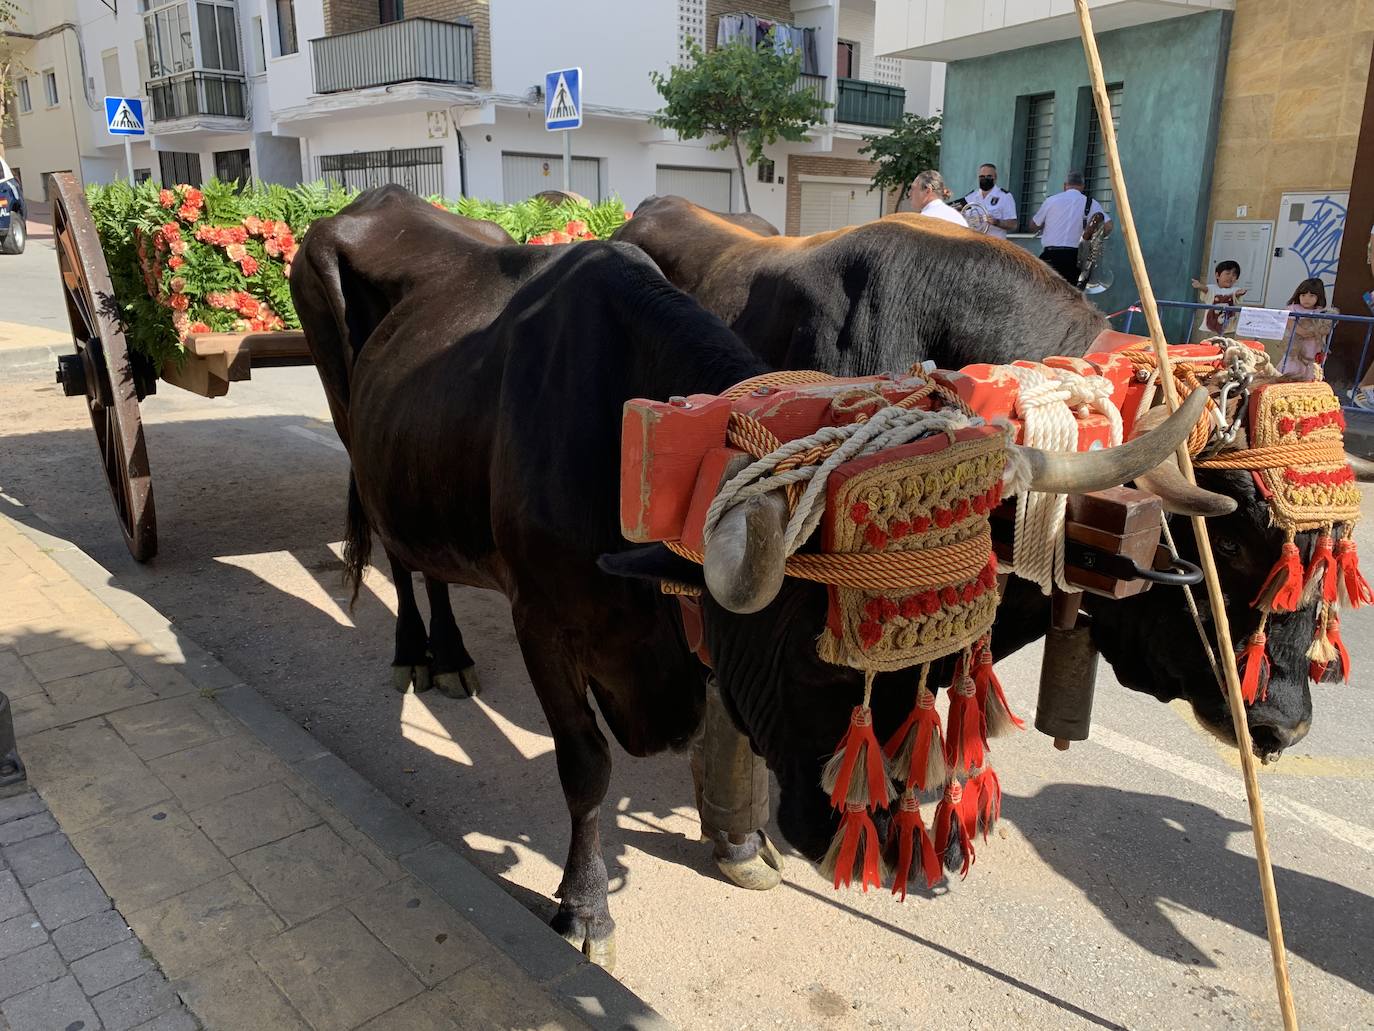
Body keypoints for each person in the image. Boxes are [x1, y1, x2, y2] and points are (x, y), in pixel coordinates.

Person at [1031, 171, 1110, 284]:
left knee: (1046, 294)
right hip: (1074, 258)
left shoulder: (1051, 201)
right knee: (1070, 296)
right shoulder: (1090, 203)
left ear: (1065, 185)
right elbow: (1108, 226)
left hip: (1050, 255)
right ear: (1083, 186)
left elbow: (1033, 226)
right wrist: (1093, 238)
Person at [1278, 277, 1337, 381]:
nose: (1306, 299)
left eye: (1311, 296)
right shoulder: (1292, 309)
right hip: (1295, 350)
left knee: (1310, 373)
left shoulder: (1321, 313)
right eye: (1303, 295)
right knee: (1290, 372)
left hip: (1313, 349)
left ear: (1318, 297)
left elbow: (1326, 329)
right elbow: (1298, 330)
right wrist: (1316, 330)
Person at [1190, 259, 1247, 337]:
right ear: (1217, 275)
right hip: (1209, 329)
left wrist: (1239, 293)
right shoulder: (1212, 288)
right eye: (1227, 273)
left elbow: (1236, 294)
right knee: (1207, 347)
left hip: (1228, 330)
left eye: (1234, 275)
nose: (1230, 277)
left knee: (1226, 347)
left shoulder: (1235, 290)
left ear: (1236, 279)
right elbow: (1206, 290)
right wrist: (1200, 286)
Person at [962, 162, 1018, 240]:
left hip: (995, 246)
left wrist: (997, 222)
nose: (985, 179)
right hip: (973, 245)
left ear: (995, 178)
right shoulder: (970, 197)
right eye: (982, 176)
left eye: (989, 176)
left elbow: (1013, 225)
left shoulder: (1005, 197)